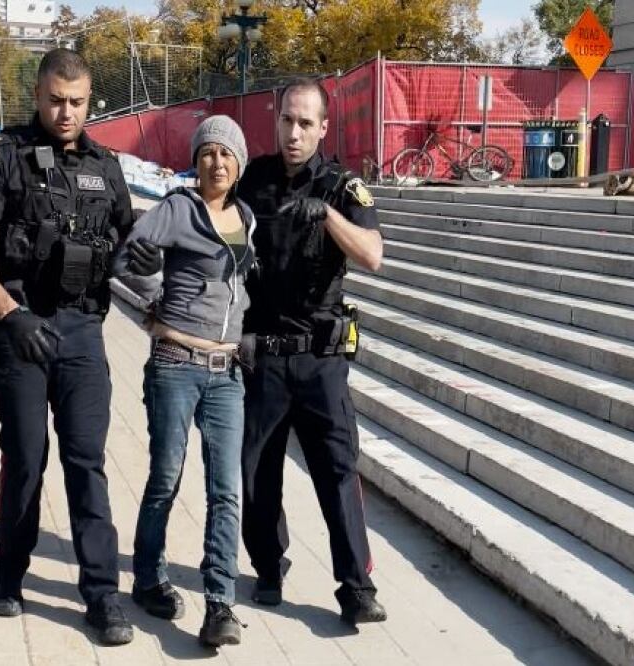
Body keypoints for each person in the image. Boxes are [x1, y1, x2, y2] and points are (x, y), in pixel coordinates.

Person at [0, 48, 134, 646]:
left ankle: (103, 595)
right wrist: (10, 315)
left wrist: (144, 260)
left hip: (83, 332)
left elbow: (127, 244)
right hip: (22, 331)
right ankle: (9, 573)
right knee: (27, 458)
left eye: (77, 102)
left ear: (89, 101)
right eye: (55, 100)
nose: (65, 112)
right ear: (37, 95)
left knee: (87, 462)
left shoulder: (107, 166)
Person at [236, 78, 388, 625]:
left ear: (324, 128)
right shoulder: (254, 178)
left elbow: (373, 255)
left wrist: (328, 218)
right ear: (275, 122)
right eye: (286, 121)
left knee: (337, 472)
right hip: (263, 355)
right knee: (256, 471)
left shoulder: (343, 187)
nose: (294, 132)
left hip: (321, 360)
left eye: (305, 123)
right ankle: (268, 568)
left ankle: (356, 587)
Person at [113, 115, 256, 648]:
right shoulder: (177, 207)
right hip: (175, 362)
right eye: (207, 153)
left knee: (226, 491)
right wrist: (154, 287)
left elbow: (241, 288)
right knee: (166, 478)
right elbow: (126, 257)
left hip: (227, 374)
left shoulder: (245, 216)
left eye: (226, 154)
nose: (216, 163)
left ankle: (221, 604)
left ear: (238, 163)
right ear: (195, 161)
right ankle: (149, 577)